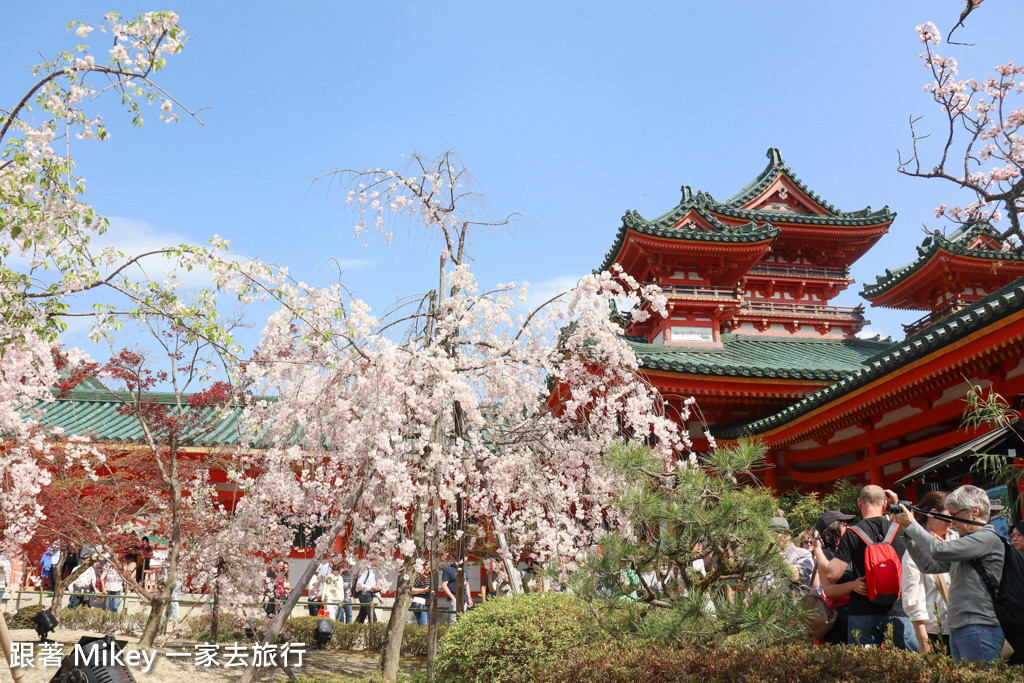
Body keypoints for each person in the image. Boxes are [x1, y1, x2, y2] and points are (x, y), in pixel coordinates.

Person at [888, 485, 1005, 664]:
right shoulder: (966, 542)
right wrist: (907, 530)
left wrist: (912, 524)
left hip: (978, 626)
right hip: (959, 627)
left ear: (975, 511)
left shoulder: (986, 538)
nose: (952, 521)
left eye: (955, 514)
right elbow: (928, 566)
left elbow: (938, 550)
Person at [814, 485, 918, 651]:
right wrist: (896, 504)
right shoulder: (900, 529)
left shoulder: (853, 533)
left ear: (859, 503)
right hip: (898, 608)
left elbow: (832, 574)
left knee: (865, 667)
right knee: (908, 665)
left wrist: (818, 551)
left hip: (863, 610)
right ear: (884, 505)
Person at [899, 491, 952, 654]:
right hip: (937, 632)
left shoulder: (958, 542)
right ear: (934, 514)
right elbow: (913, 597)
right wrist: (924, 643)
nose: (953, 521)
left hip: (963, 627)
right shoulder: (916, 550)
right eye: (950, 514)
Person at [812, 510, 862, 645]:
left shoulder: (848, 552)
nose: (848, 528)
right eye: (843, 524)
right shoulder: (826, 555)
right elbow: (829, 584)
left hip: (856, 613)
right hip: (839, 617)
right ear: (832, 529)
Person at [769, 517, 814, 591]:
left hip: (794, 601)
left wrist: (778, 553)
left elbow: (795, 576)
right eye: (769, 534)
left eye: (775, 533)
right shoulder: (766, 556)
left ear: (787, 535)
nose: (771, 537)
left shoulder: (803, 554)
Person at [355, 559, 381, 624]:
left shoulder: (372, 571)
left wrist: (379, 597)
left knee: (361, 617)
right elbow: (359, 584)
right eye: (378, 560)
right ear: (374, 560)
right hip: (365, 594)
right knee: (372, 616)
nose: (379, 562)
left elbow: (373, 585)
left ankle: (353, 630)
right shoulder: (366, 570)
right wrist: (371, 588)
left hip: (369, 595)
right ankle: (373, 632)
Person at [411, 561, 432, 626]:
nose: (428, 570)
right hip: (421, 604)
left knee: (427, 625)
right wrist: (423, 590)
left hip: (429, 604)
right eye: (427, 568)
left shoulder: (430, 577)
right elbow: (411, 590)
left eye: (430, 568)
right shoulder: (418, 578)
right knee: (424, 624)